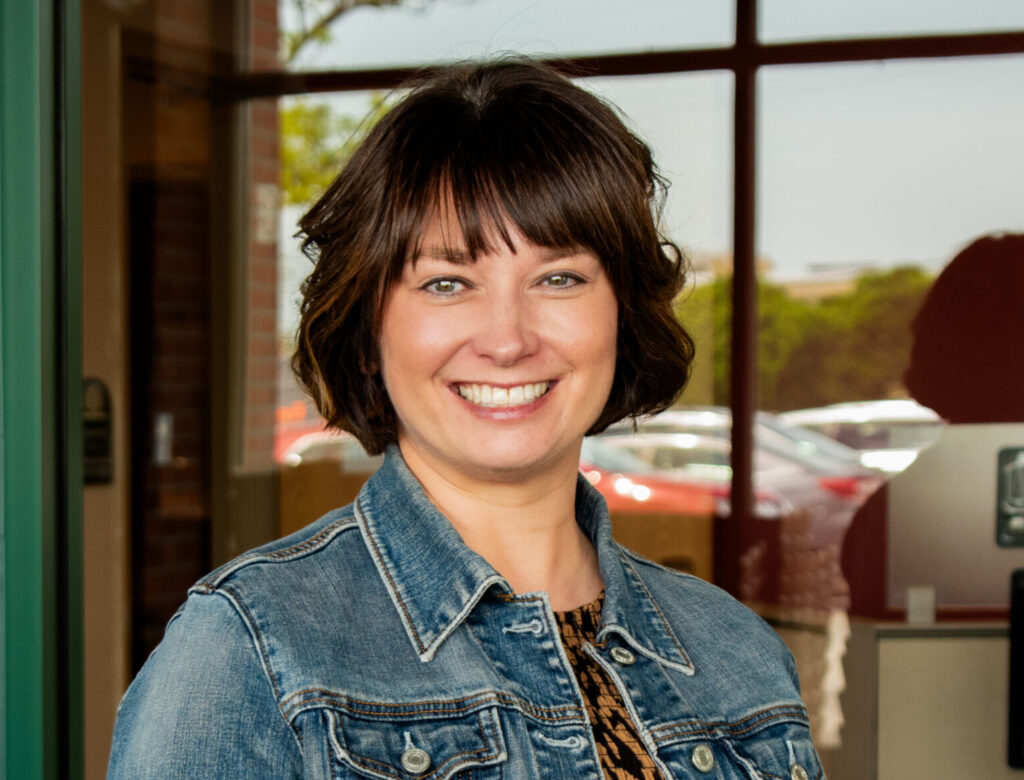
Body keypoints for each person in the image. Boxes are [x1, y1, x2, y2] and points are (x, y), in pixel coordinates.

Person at [108, 60, 824, 779]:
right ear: (369, 331)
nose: (507, 340)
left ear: (622, 314)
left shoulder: (737, 653)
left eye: (559, 278)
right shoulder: (249, 651)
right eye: (447, 283)